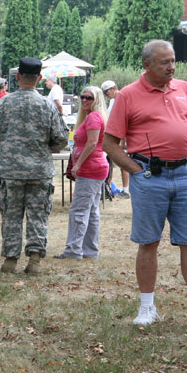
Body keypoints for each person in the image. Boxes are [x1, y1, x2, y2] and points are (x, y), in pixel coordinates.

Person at [103, 40, 187, 326]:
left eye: (173, 60)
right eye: (164, 62)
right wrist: (135, 171)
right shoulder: (128, 96)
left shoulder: (185, 89)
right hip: (150, 178)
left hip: (186, 176)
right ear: (147, 65)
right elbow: (109, 143)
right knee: (148, 243)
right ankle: (147, 308)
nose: (171, 67)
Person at [0, 58, 69, 274]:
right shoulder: (47, 105)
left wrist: (5, 148)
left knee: (11, 216)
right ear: (39, 78)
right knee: (38, 215)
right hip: (40, 171)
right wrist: (44, 149)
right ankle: (34, 262)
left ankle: (10, 261)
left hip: (10, 172)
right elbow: (61, 139)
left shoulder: (3, 103)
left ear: (18, 77)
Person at [54, 86, 109, 260]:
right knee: (91, 210)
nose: (84, 100)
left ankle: (73, 250)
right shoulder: (93, 117)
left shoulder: (93, 117)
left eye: (89, 98)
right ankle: (90, 250)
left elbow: (92, 143)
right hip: (96, 167)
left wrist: (78, 164)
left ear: (97, 100)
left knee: (78, 210)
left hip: (90, 168)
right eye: (82, 97)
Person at [101, 80, 129, 198]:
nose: (106, 95)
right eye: (104, 93)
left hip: (122, 137)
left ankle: (126, 190)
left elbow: (126, 121)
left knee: (123, 164)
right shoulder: (112, 101)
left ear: (114, 88)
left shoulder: (124, 99)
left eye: (107, 92)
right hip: (113, 137)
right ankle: (108, 187)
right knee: (110, 163)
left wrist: (124, 141)